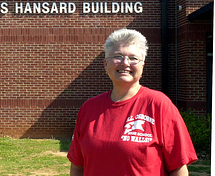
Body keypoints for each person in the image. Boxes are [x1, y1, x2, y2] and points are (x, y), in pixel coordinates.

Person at [67, 29, 198, 176]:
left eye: (133, 58)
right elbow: (77, 166)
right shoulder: (88, 109)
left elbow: (178, 168)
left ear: (142, 66)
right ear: (105, 64)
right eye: (118, 56)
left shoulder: (159, 105)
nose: (125, 63)